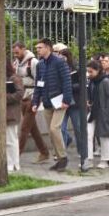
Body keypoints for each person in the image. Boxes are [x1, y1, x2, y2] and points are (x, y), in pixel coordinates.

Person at [31, 39, 72, 171]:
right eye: (37, 48)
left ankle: (63, 157)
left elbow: (67, 81)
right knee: (51, 132)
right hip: (47, 102)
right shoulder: (40, 65)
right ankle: (59, 159)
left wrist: (66, 99)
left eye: (40, 47)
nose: (37, 50)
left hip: (60, 101)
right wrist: (35, 102)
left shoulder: (60, 62)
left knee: (55, 128)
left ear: (48, 48)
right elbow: (38, 84)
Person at [0, 52, 24, 172]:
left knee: (11, 139)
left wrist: (3, 97)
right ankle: (0, 162)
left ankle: (13, 164)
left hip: (11, 113)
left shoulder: (14, 77)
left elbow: (19, 94)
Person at [12, 41, 48, 163]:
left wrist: (38, 99)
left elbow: (40, 81)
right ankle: (44, 152)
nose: (15, 55)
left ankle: (16, 155)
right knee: (32, 128)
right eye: (14, 53)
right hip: (22, 97)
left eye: (17, 52)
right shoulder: (16, 62)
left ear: (23, 49)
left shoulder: (33, 62)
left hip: (32, 97)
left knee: (24, 128)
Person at [86, 60, 109, 169]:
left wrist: (106, 112)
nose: (89, 74)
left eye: (91, 71)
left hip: (103, 112)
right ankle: (88, 158)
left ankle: (105, 159)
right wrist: (89, 101)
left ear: (98, 70)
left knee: (103, 136)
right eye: (88, 71)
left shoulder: (106, 81)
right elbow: (91, 94)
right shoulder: (92, 81)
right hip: (93, 111)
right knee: (88, 134)